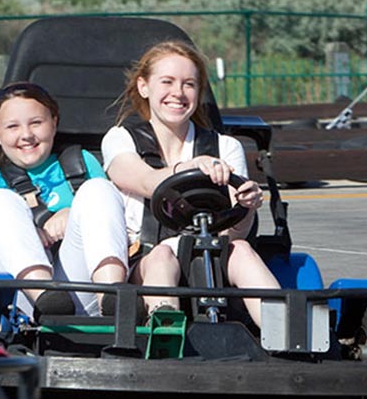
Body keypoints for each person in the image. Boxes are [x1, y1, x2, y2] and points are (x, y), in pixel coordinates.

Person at [101, 40, 280, 326]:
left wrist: (245, 206)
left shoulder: (225, 146)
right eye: (167, 82)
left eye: (188, 84)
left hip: (212, 257)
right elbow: (146, 181)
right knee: (161, 255)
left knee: (243, 251)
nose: (178, 93)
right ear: (144, 87)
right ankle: (165, 331)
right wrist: (188, 168)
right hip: (147, 259)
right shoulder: (120, 139)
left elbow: (235, 236)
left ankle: (287, 334)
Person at [0, 82, 128, 317]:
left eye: (36, 123)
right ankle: (42, 292)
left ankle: (114, 296)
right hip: (15, 297)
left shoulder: (81, 164)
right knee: (0, 201)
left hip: (80, 287)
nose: (26, 135)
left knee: (99, 189)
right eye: (13, 127)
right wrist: (22, 238)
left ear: (54, 122)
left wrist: (72, 215)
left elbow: (111, 227)